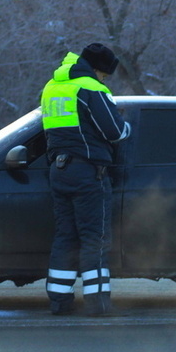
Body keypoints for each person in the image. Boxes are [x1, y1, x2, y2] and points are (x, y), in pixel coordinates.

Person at [40, 43, 131, 316]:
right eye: (104, 75)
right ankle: (98, 304)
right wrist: (126, 126)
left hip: (59, 170)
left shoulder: (52, 88)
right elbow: (115, 132)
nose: (104, 80)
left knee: (66, 237)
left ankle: (59, 301)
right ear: (96, 69)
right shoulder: (90, 88)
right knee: (95, 239)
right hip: (88, 172)